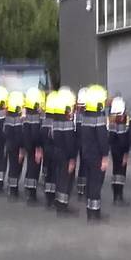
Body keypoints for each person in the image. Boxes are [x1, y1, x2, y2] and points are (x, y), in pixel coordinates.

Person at [79, 85, 110, 222]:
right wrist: (105, 156)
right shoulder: (99, 118)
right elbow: (103, 139)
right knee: (96, 184)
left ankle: (90, 211)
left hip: (87, 154)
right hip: (97, 156)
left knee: (91, 182)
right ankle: (95, 214)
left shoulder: (85, 116)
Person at [53, 88, 79, 216]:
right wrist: (72, 158)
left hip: (57, 153)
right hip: (66, 155)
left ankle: (59, 203)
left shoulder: (56, 120)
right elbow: (69, 142)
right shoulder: (67, 122)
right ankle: (62, 208)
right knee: (66, 180)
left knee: (59, 178)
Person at [22, 88, 45, 205]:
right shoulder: (36, 116)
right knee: (34, 170)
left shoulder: (26, 114)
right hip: (34, 147)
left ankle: (28, 190)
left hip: (28, 145)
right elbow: (36, 134)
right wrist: (38, 148)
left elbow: (24, 132)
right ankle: (32, 195)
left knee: (30, 168)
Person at [108, 96, 131, 206]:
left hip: (114, 149)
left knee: (115, 171)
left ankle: (116, 195)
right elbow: (123, 138)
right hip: (121, 150)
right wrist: (126, 153)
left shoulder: (111, 118)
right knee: (121, 172)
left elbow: (110, 136)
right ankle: (118, 196)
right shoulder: (122, 119)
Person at [4, 91, 25, 198]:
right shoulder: (20, 119)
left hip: (10, 145)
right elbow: (20, 135)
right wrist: (21, 150)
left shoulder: (7, 117)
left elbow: (6, 132)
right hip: (17, 147)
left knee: (12, 165)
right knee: (17, 167)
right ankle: (13, 188)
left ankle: (12, 187)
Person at [42, 91, 60, 209]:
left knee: (49, 174)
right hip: (54, 150)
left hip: (47, 150)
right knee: (54, 174)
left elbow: (42, 135)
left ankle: (48, 197)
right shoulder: (56, 119)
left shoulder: (45, 118)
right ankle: (52, 198)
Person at [74, 87, 88, 197]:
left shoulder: (75, 111)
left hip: (74, 140)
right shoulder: (87, 112)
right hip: (84, 141)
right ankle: (82, 188)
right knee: (84, 164)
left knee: (74, 164)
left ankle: (80, 188)